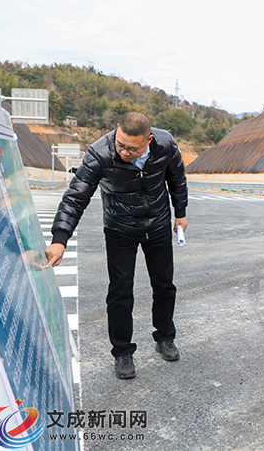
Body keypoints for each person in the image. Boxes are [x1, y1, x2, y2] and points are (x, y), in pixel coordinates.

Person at [45, 112, 188, 380]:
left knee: (164, 285)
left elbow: (177, 179)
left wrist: (180, 213)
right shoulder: (100, 153)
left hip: (157, 225)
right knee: (120, 291)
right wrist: (59, 239)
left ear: (149, 140)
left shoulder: (166, 144)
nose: (123, 152)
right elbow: (76, 197)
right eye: (120, 145)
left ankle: (165, 337)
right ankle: (123, 352)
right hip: (120, 229)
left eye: (132, 148)